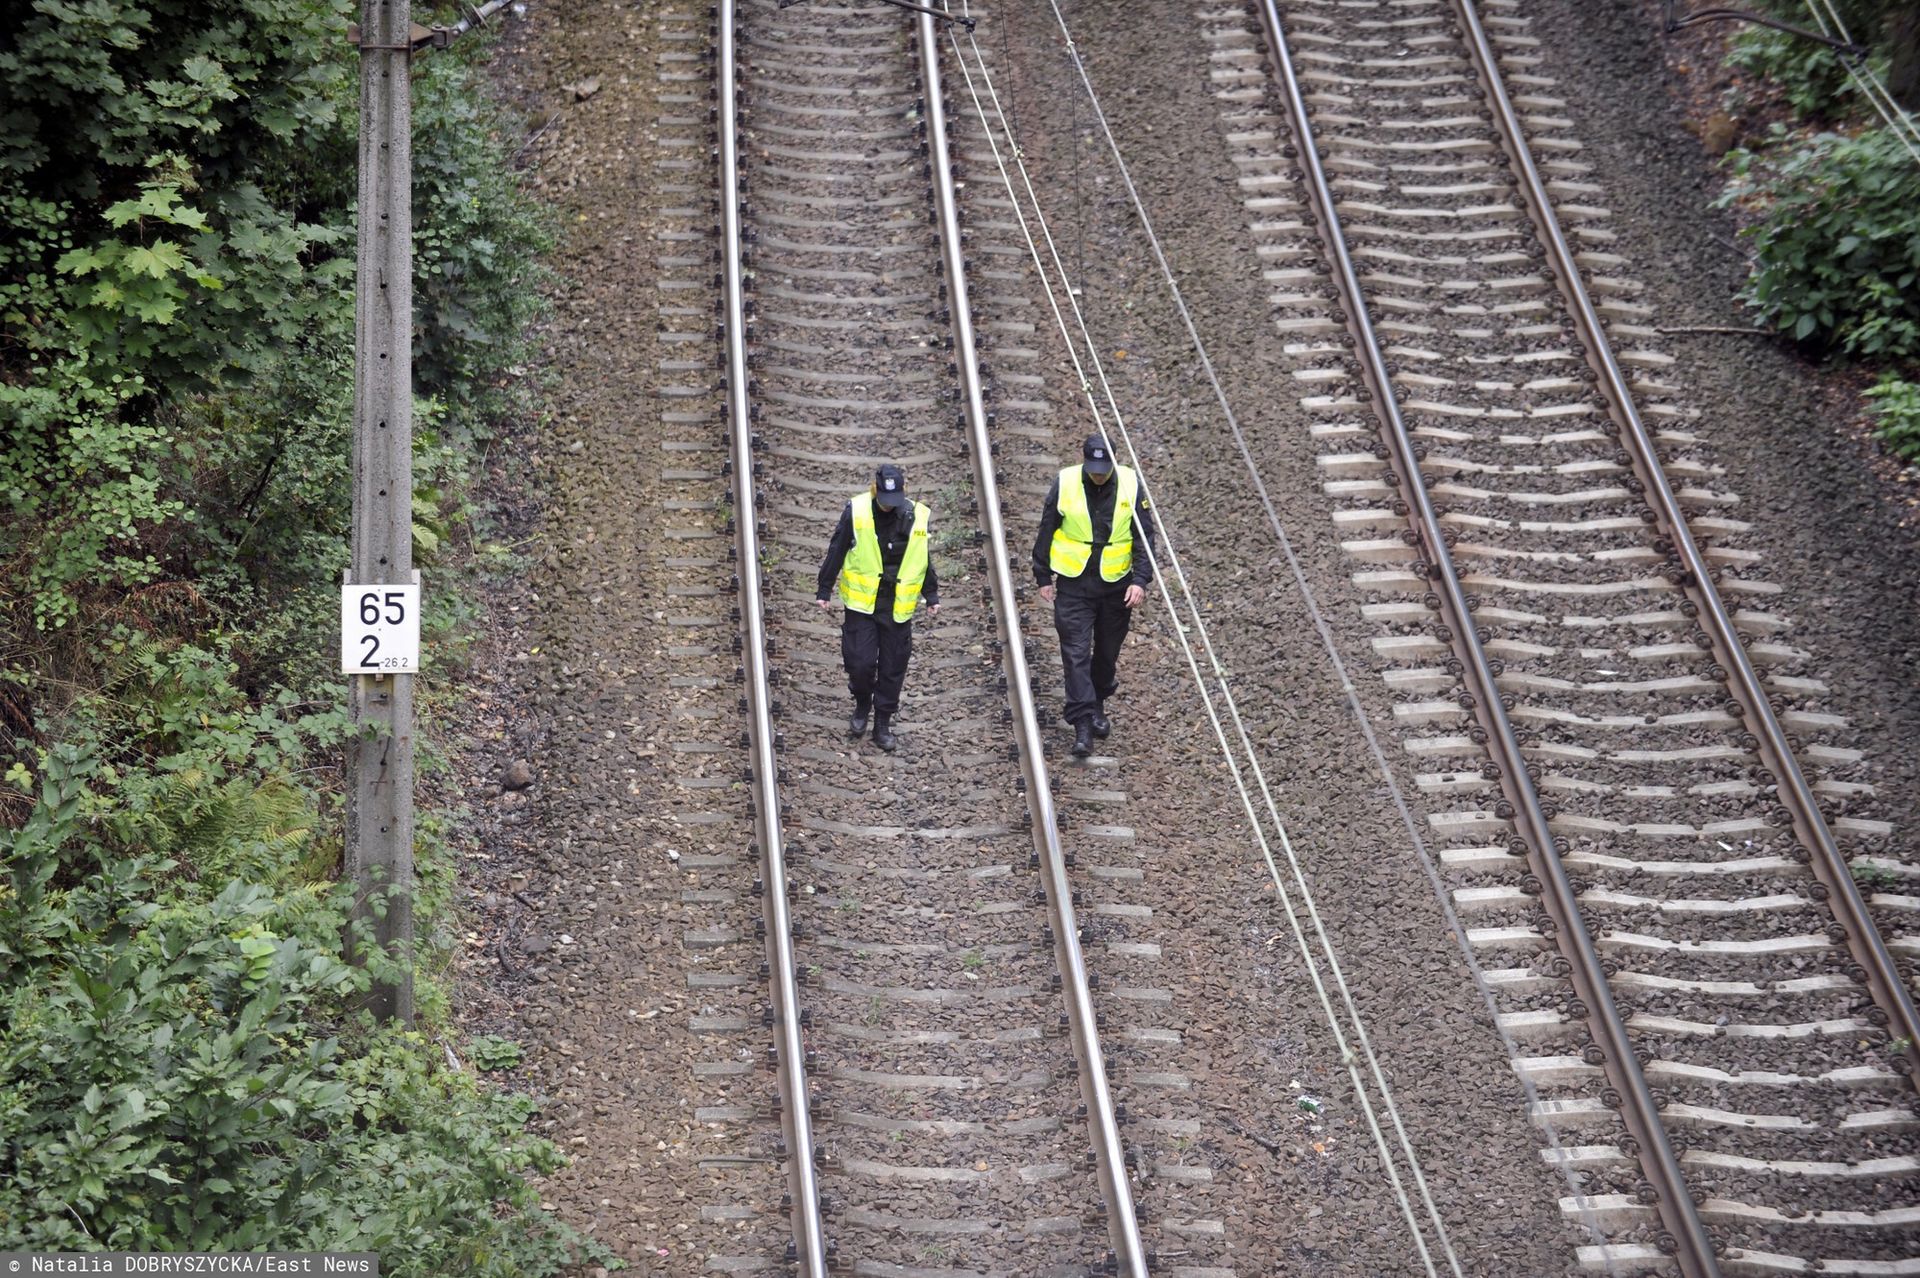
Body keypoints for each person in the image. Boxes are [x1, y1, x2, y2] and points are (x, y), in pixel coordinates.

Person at [1033, 434, 1156, 757]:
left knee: (1105, 654)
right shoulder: (1067, 482)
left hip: (1116, 586)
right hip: (1074, 584)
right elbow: (1047, 527)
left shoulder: (1130, 483)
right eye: (1094, 468)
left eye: (1104, 469)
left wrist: (1141, 580)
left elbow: (1144, 535)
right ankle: (1083, 724)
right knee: (1074, 654)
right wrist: (1042, 574)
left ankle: (1098, 699)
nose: (1098, 474)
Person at [816, 464, 939, 752]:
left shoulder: (916, 515)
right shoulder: (857, 511)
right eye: (884, 500)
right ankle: (862, 702)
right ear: (875, 490)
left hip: (898, 606)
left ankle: (882, 722)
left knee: (893, 667)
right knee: (859, 663)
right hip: (862, 605)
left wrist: (931, 593)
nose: (888, 506)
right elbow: (838, 547)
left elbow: (922, 558)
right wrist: (825, 588)